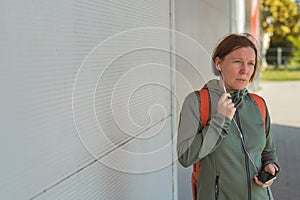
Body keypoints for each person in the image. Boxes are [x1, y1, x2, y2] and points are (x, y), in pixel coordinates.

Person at [177, 33, 280, 200]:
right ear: (219, 63)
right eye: (237, 61)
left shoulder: (258, 104)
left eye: (251, 64)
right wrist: (221, 120)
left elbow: (268, 151)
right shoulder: (197, 102)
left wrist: (270, 166)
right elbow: (185, 157)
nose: (245, 71)